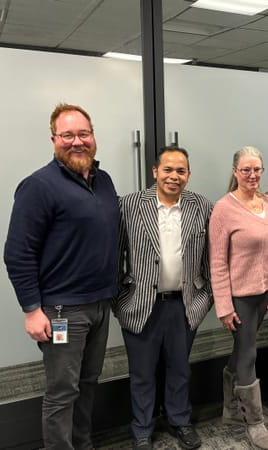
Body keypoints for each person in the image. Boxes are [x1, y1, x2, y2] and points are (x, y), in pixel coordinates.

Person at [4, 103, 119, 449]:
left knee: (88, 382)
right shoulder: (39, 186)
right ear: (54, 139)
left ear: (93, 136)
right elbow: (17, 253)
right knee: (62, 391)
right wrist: (31, 309)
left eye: (83, 133)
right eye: (67, 135)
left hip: (100, 305)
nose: (77, 141)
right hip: (61, 313)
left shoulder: (103, 180)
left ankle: (81, 444)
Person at [114, 147, 212, 450]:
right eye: (168, 169)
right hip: (141, 304)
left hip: (184, 305)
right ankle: (142, 428)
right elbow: (115, 255)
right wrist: (120, 299)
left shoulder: (202, 206)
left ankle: (179, 420)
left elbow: (211, 258)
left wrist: (205, 297)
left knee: (180, 369)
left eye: (181, 171)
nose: (174, 176)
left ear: (188, 175)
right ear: (155, 171)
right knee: (142, 373)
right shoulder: (129, 205)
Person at [209, 146, 268, 450]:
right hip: (239, 297)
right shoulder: (224, 209)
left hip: (262, 293)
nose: (252, 175)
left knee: (242, 349)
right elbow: (217, 261)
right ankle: (254, 421)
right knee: (248, 352)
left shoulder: (266, 202)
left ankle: (230, 407)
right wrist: (224, 307)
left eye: (257, 170)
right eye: (246, 170)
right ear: (235, 171)